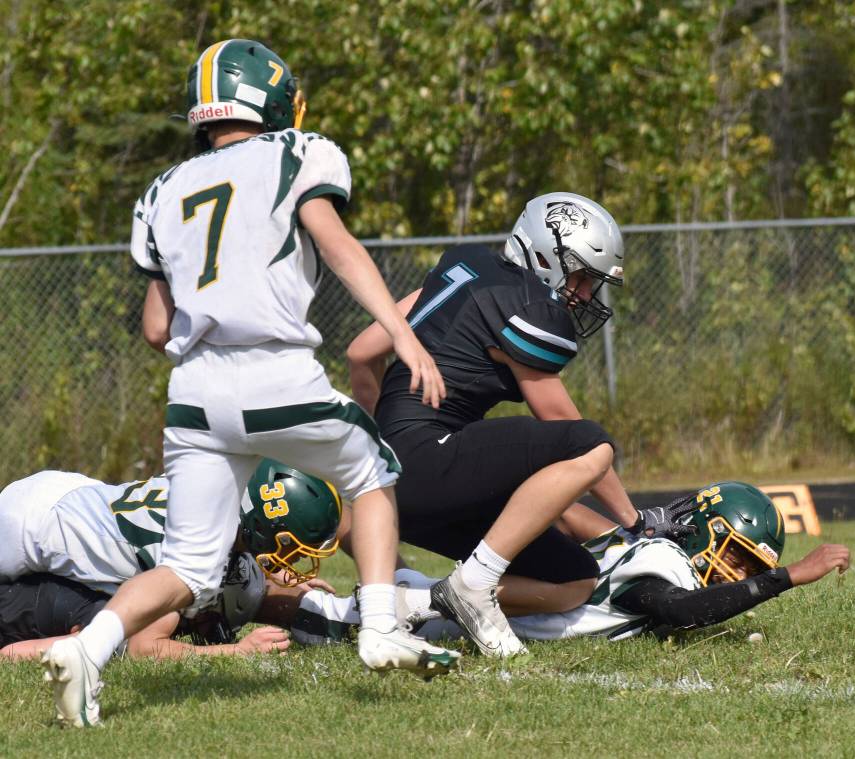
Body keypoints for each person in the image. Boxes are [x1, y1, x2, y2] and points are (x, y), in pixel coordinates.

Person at [42, 39, 458, 727]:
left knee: (189, 567)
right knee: (374, 474)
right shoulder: (297, 153)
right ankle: (381, 625)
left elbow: (155, 327)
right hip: (275, 369)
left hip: (196, 392)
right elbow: (338, 246)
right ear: (268, 95)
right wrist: (403, 333)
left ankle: (89, 646)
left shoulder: (162, 189)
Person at [346, 193, 702, 657]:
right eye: (580, 277)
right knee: (591, 444)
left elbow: (361, 353)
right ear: (544, 254)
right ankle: (473, 586)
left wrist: (383, 454)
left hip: (405, 483)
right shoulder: (524, 304)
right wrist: (635, 519)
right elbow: (565, 426)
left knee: (573, 579)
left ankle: (417, 600)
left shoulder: (464, 267)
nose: (585, 294)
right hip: (426, 458)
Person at [290, 482, 851, 645]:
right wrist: (789, 577)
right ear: (706, 529)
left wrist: (626, 523)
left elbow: (572, 515)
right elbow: (680, 610)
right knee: (307, 619)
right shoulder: (661, 564)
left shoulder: (642, 546)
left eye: (750, 570)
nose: (737, 576)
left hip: (448, 598)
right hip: (431, 621)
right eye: (735, 557)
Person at [0, 461, 337, 660]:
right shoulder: (196, 553)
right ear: (261, 527)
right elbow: (145, 648)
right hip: (29, 529)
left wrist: (275, 573)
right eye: (291, 548)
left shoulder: (219, 496)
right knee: (116, 637)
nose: (294, 559)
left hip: (68, 494)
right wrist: (236, 651)